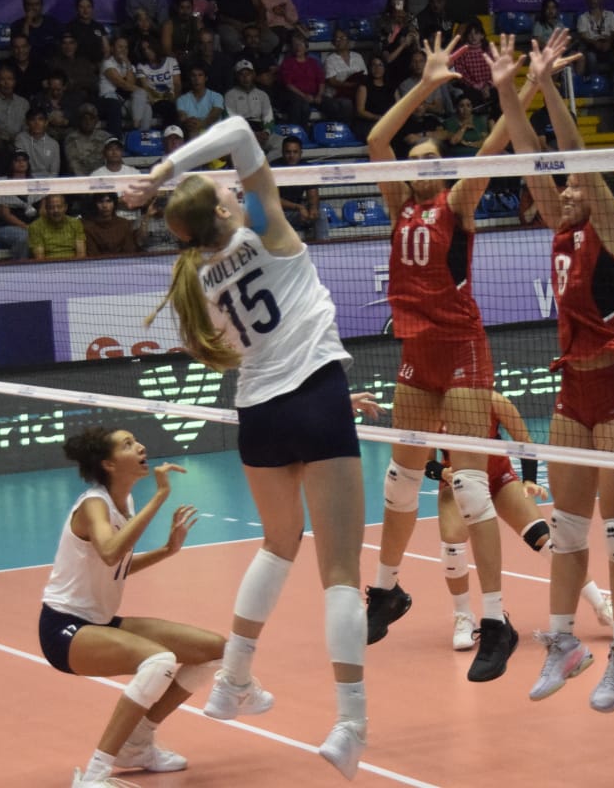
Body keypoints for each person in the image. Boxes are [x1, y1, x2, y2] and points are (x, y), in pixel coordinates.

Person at [121, 114, 375, 779]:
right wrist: (162, 172)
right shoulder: (270, 233)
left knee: (278, 543)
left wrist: (161, 186)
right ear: (224, 209)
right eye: (227, 191)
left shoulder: (194, 282)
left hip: (259, 414)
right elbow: (236, 128)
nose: (236, 189)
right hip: (317, 398)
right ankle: (350, 722)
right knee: (341, 571)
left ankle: (233, 679)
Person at [362, 32, 545, 683]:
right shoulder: (396, 205)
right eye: (418, 159)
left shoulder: (456, 204)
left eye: (435, 157)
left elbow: (496, 143)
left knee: (468, 484)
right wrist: (429, 82)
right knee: (400, 479)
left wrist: (525, 85)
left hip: (464, 349)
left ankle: (495, 619)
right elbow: (376, 142)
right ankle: (386, 591)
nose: (424, 163)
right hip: (417, 352)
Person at [493, 28, 614, 711]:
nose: (560, 188)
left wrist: (552, 86)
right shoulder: (561, 227)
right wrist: (509, 86)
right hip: (572, 390)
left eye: (572, 185)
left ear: (595, 192)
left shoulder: (613, 235)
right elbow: (531, 156)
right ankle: (565, 643)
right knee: (568, 528)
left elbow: (573, 156)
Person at [41, 426, 223, 786]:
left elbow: (117, 567)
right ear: (109, 464)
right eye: (128, 445)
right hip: (64, 629)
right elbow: (110, 553)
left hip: (100, 622)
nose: (140, 446)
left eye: (136, 441)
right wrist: (160, 497)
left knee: (214, 651)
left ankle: (137, 745)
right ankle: (93, 776)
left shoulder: (124, 504)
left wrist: (166, 551)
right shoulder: (95, 504)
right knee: (159, 662)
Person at [429, 392, 612, 650]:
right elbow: (426, 463)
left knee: (546, 540)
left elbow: (524, 444)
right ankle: (463, 618)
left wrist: (528, 480)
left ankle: (601, 604)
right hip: (458, 483)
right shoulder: (433, 407)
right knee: (451, 546)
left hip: (499, 477)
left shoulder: (492, 400)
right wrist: (442, 472)